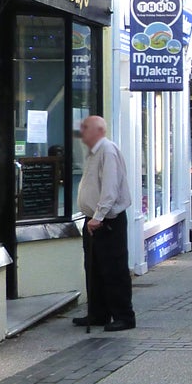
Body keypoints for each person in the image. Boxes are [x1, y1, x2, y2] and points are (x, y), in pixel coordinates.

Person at [71, 115, 135, 332]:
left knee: (113, 269)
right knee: (94, 268)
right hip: (94, 219)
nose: (82, 133)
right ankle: (98, 313)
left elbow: (110, 188)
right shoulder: (94, 153)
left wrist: (98, 216)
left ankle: (124, 316)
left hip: (107, 220)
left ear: (98, 130)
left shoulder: (107, 151)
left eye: (85, 129)